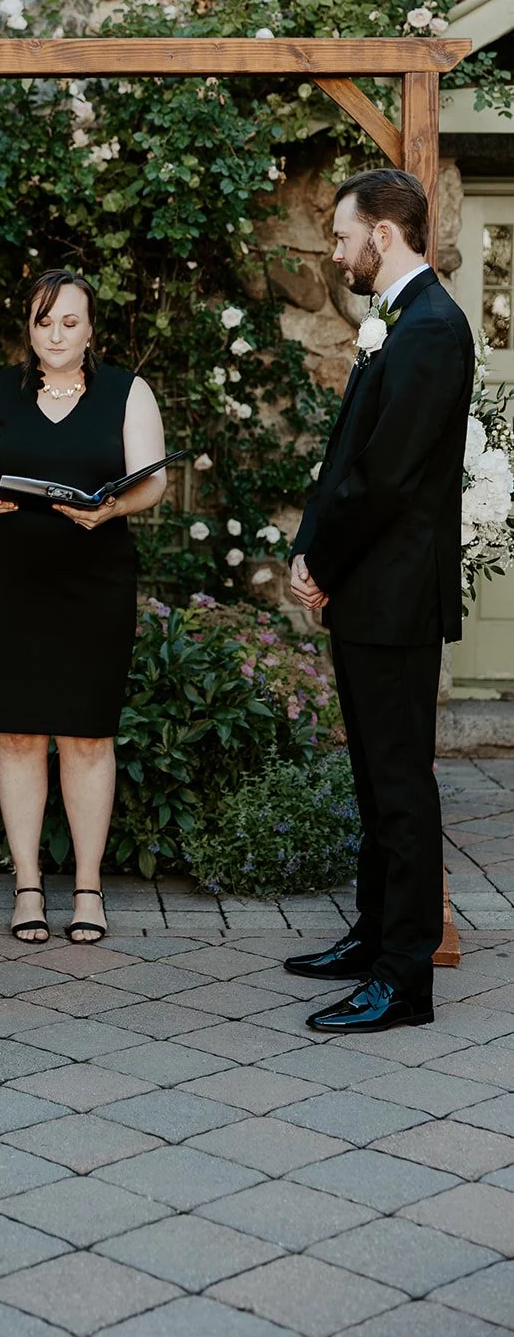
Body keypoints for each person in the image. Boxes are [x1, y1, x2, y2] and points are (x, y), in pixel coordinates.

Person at [287, 168, 473, 1034]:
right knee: (372, 779)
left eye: (340, 234)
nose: (335, 250)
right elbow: (345, 465)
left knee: (401, 788)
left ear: (382, 234)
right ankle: (373, 937)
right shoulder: (397, 324)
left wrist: (320, 559)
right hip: (368, 593)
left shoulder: (431, 330)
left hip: (393, 596)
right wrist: (309, 546)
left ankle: (404, 980)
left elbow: (388, 479)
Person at [0, 270, 167, 944]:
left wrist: (112, 508)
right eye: (44, 323)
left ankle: (89, 889)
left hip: (94, 578)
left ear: (90, 327)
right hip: (8, 579)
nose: (57, 335)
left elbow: (152, 481)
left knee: (87, 734)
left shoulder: (128, 392)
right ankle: (27, 886)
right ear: (29, 328)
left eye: (70, 323)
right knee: (14, 733)